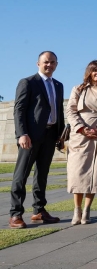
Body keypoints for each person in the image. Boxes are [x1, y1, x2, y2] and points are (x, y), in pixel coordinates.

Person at [9, 51, 64, 229]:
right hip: (30, 136)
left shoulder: (58, 85)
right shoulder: (28, 82)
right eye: (46, 62)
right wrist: (22, 134)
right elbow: (19, 110)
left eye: (53, 62)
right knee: (21, 174)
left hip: (50, 135)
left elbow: (59, 112)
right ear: (38, 64)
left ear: (56, 64)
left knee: (42, 175)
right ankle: (16, 213)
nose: (49, 65)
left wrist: (60, 136)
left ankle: (39, 210)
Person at [65, 59, 97, 225]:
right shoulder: (79, 89)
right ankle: (76, 209)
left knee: (95, 174)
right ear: (89, 72)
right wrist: (81, 128)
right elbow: (70, 111)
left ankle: (87, 209)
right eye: (95, 70)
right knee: (78, 173)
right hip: (81, 135)